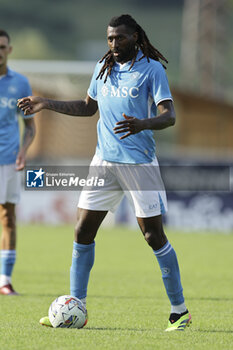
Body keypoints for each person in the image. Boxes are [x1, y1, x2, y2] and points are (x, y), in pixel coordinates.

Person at [18, 14, 191, 331]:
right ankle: (75, 308)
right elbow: (87, 107)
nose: (114, 44)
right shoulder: (103, 68)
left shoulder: (151, 69)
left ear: (135, 37)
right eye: (110, 38)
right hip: (103, 162)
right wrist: (46, 102)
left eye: (120, 38)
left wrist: (143, 124)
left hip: (139, 164)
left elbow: (170, 116)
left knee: (153, 236)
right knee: (83, 230)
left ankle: (179, 313)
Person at [0, 30, 35, 295]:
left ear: (9, 50)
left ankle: (4, 281)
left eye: (2, 47)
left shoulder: (20, 84)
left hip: (9, 161)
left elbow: (30, 127)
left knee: (7, 218)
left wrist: (24, 150)